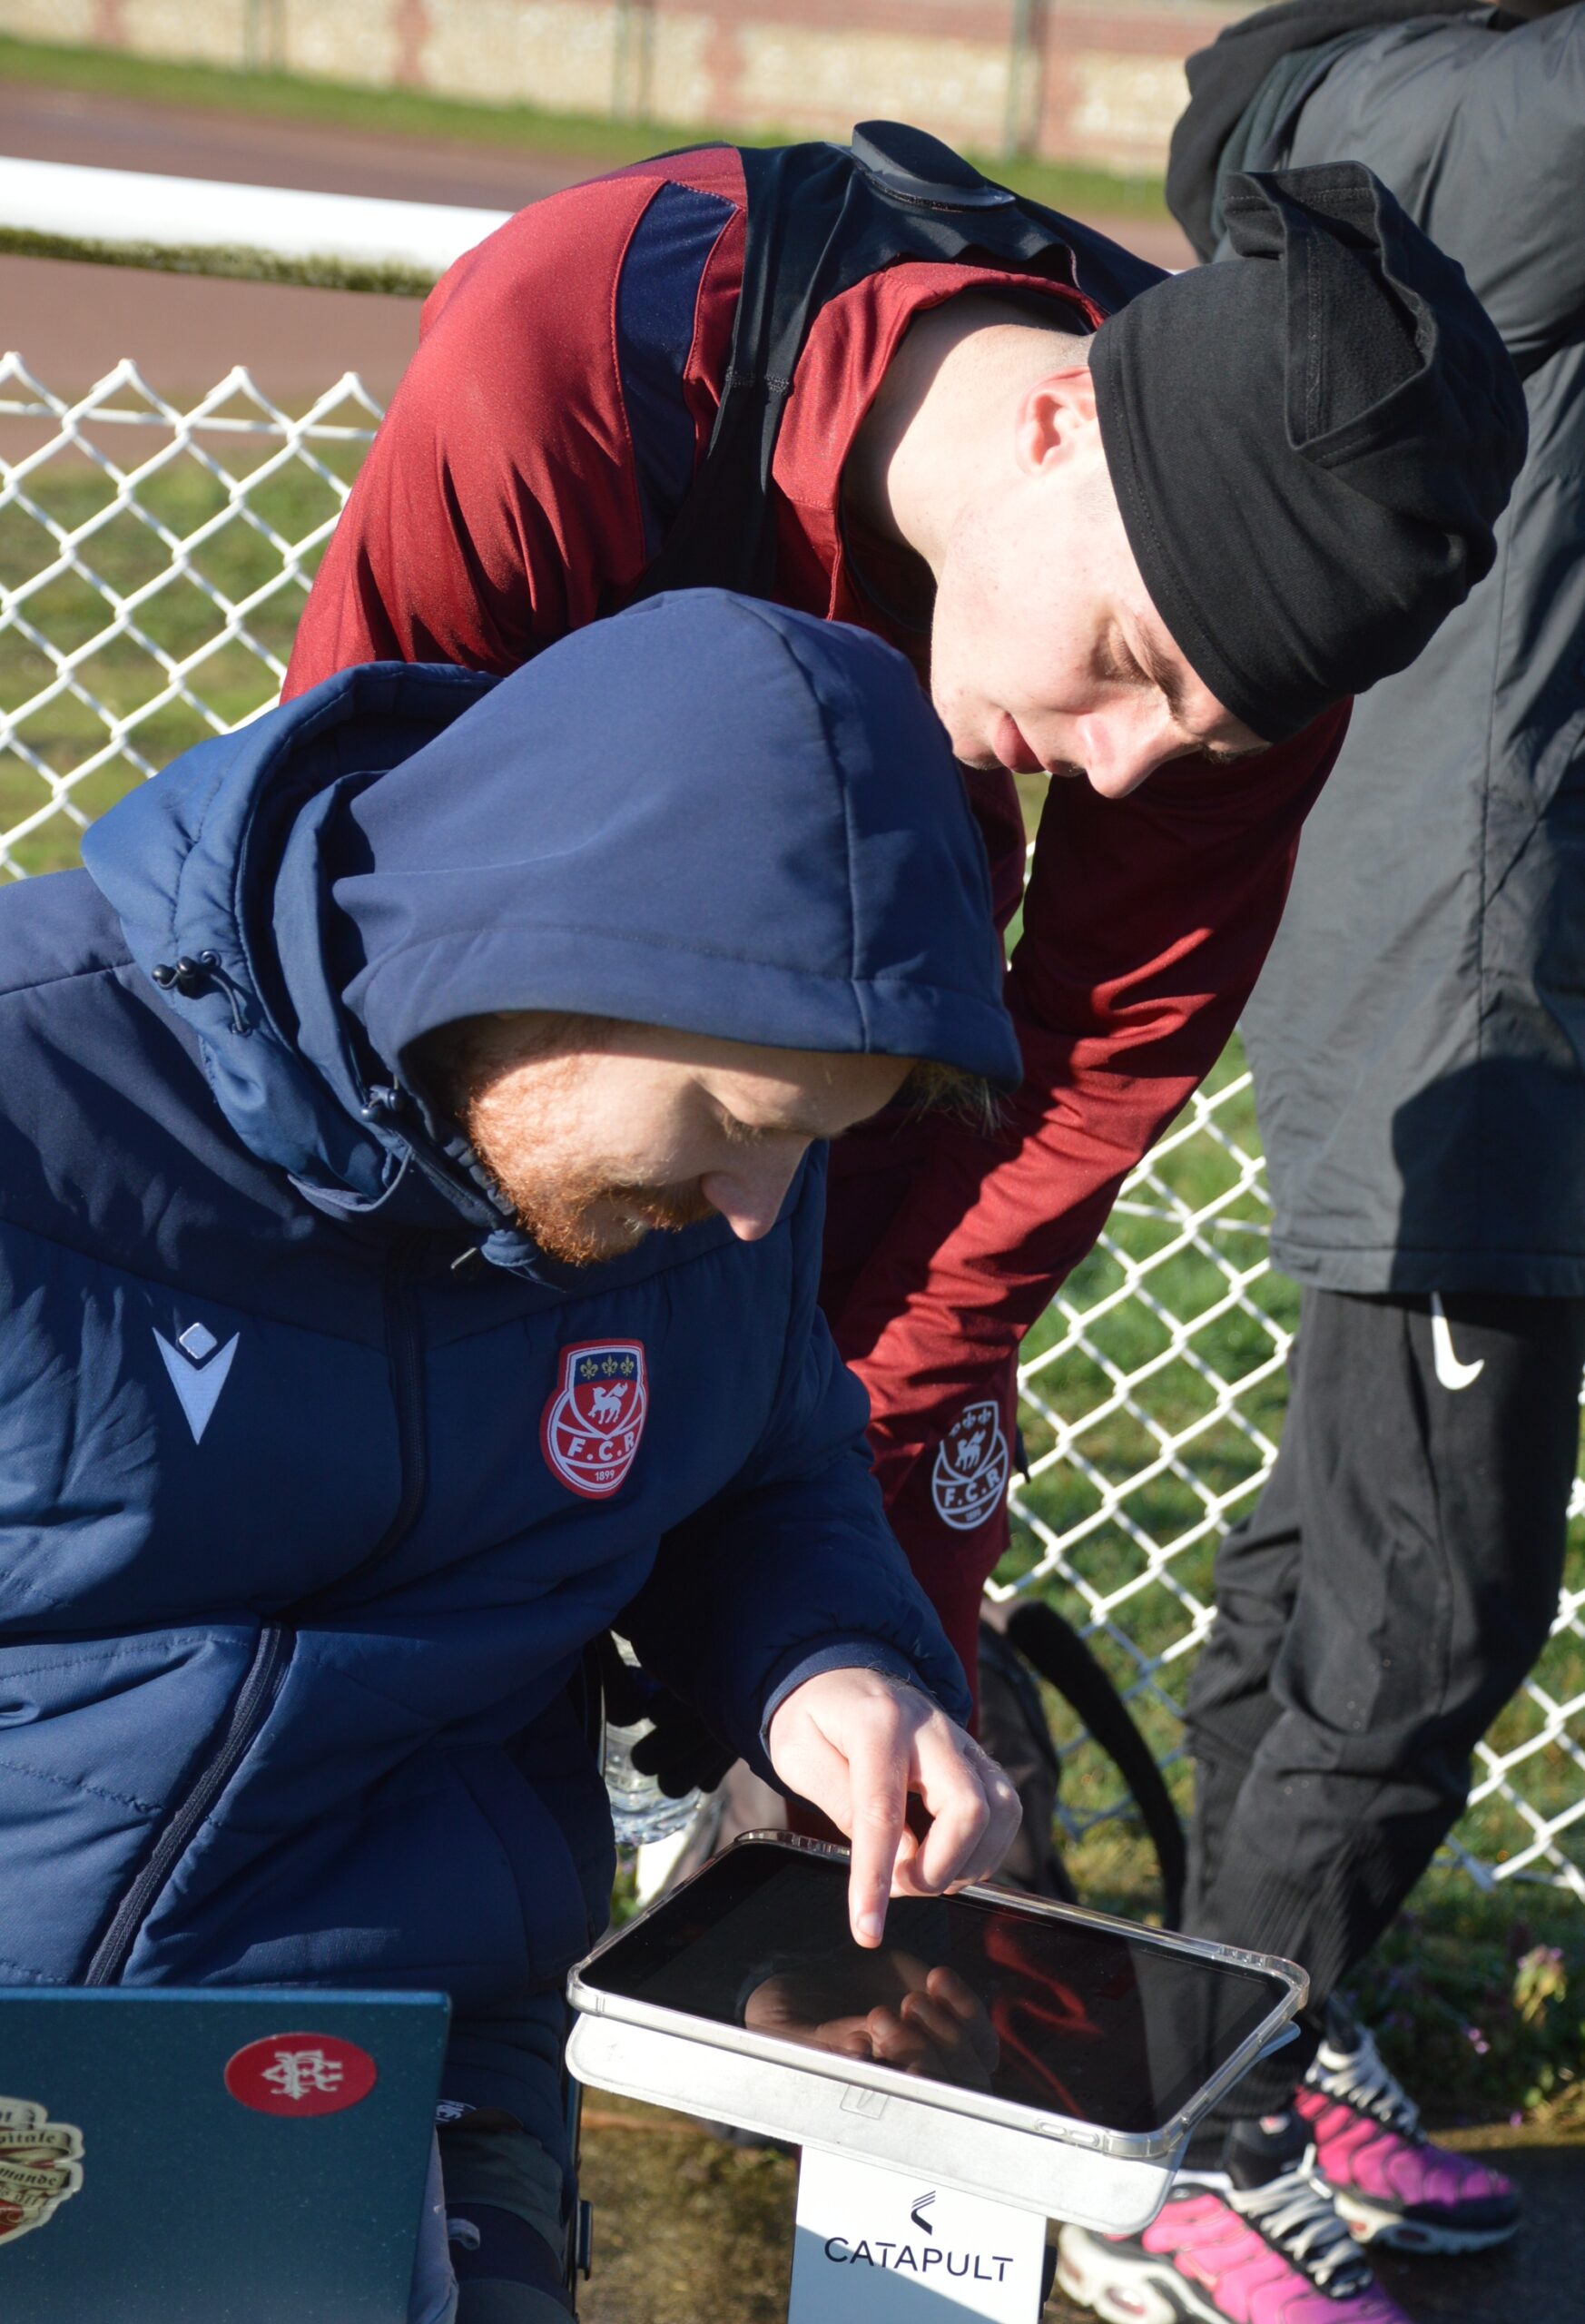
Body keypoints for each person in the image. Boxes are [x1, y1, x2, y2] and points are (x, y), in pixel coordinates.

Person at [284, 125, 1526, 1731]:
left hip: (889, 1133)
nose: (1125, 766)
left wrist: (832, 1460)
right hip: (501, 1115)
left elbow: (1084, 1070)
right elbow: (350, 887)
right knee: (424, 1703)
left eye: (1199, 737)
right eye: (1128, 662)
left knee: (866, 1730)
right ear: (1057, 419)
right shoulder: (582, 347)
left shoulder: (1240, 650)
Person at [0, 590, 1028, 2324]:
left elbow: (760, 1465)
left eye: (813, 1149)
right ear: (541, 960)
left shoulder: (705, 1191)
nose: (760, 1209)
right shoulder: (35, 1106)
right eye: (741, 1127)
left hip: (410, 2044)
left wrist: (827, 1664)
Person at [1058, 8, 1585, 2323]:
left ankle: (1244, 2044)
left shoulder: (1419, 106)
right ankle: (1173, 2143)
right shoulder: (1504, 114)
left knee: (1336, 1554)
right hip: (1479, 973)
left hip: (1458, 942)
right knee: (1429, 1597)